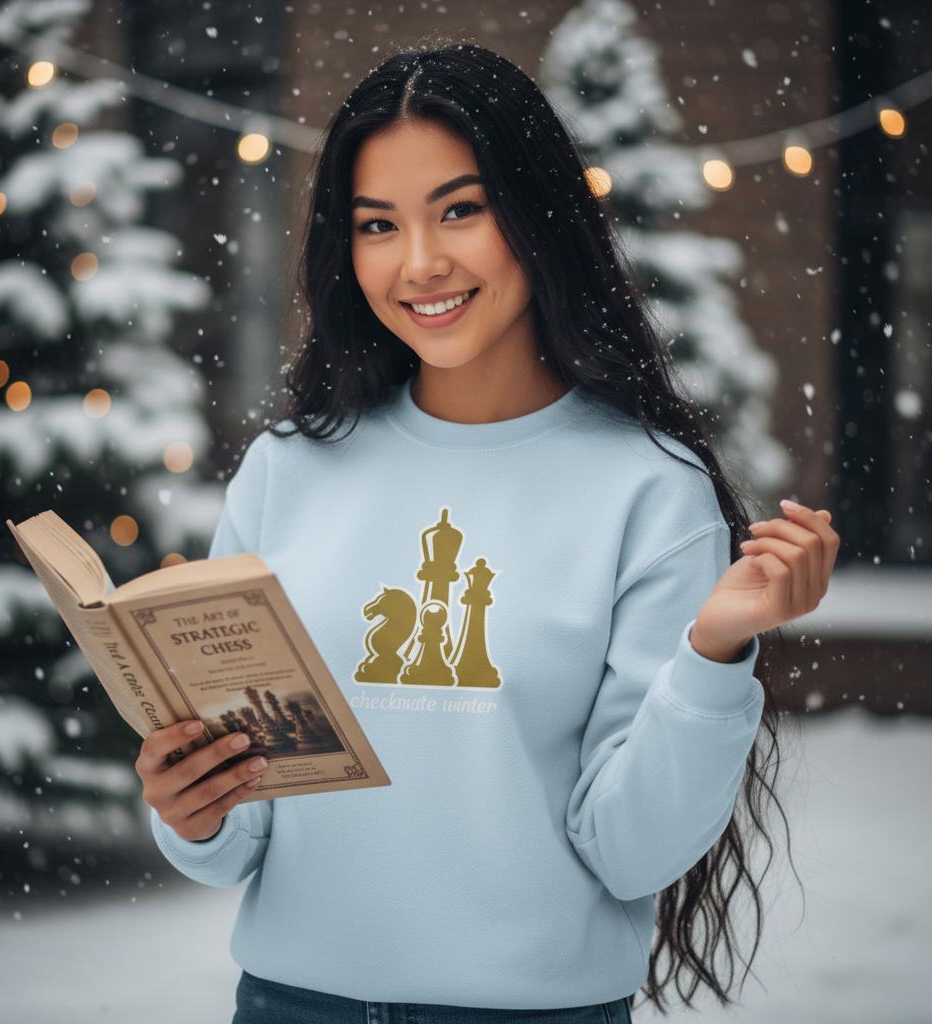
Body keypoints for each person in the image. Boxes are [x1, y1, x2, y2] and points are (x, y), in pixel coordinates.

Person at [137, 42, 839, 1024]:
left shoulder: (647, 488)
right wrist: (191, 806)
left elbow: (631, 850)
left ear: (537, 213)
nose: (420, 262)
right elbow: (237, 834)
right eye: (378, 224)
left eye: (460, 210)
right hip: (292, 1005)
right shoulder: (287, 471)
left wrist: (715, 650)